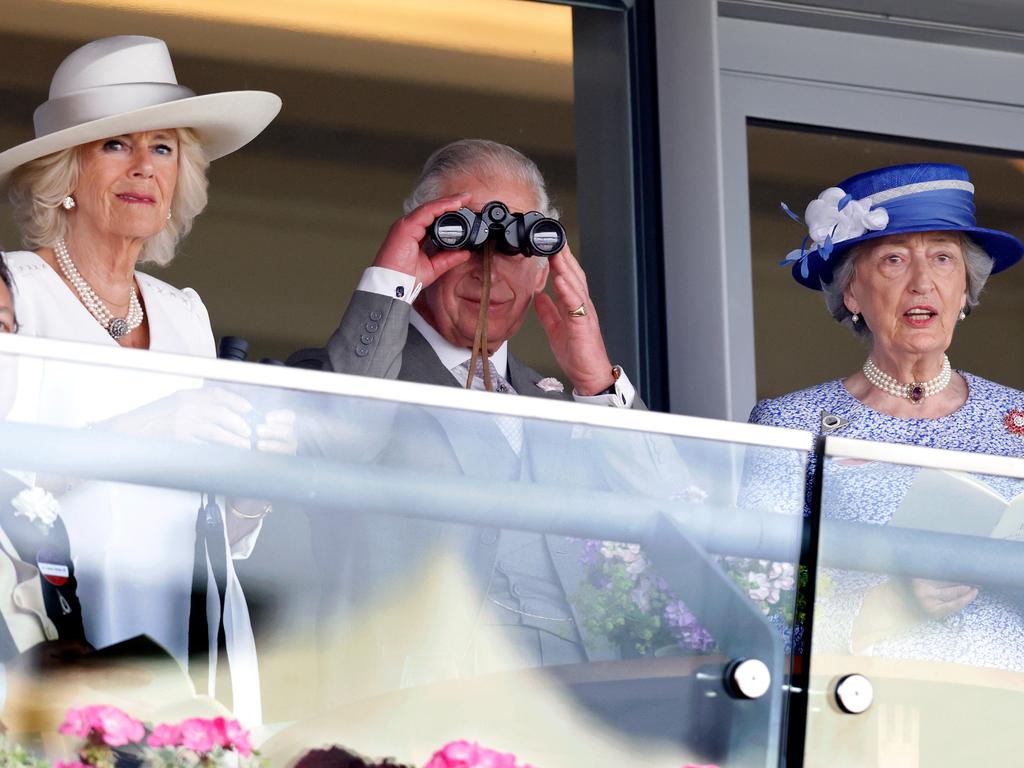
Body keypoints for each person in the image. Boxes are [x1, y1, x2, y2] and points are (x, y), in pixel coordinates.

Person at [289, 139, 693, 702]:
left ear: (543, 268)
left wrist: (598, 381)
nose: (487, 267)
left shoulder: (566, 401)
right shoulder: (347, 372)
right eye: (467, 236)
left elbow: (678, 510)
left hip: (579, 706)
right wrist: (391, 277)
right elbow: (335, 440)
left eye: (513, 246)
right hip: (415, 700)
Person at [0, 35, 288, 721]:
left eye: (162, 148)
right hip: (56, 627)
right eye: (115, 146)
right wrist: (145, 431)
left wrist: (250, 491)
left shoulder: (184, 314)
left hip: (185, 631)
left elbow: (212, 522)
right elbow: (5, 487)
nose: (143, 167)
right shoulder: (18, 291)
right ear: (64, 173)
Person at [746, 162, 1024, 665]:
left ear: (965, 289)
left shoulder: (1019, 418)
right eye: (894, 260)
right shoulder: (792, 424)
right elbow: (756, 608)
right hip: (862, 706)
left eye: (943, 258)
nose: (922, 282)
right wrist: (890, 604)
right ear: (852, 292)